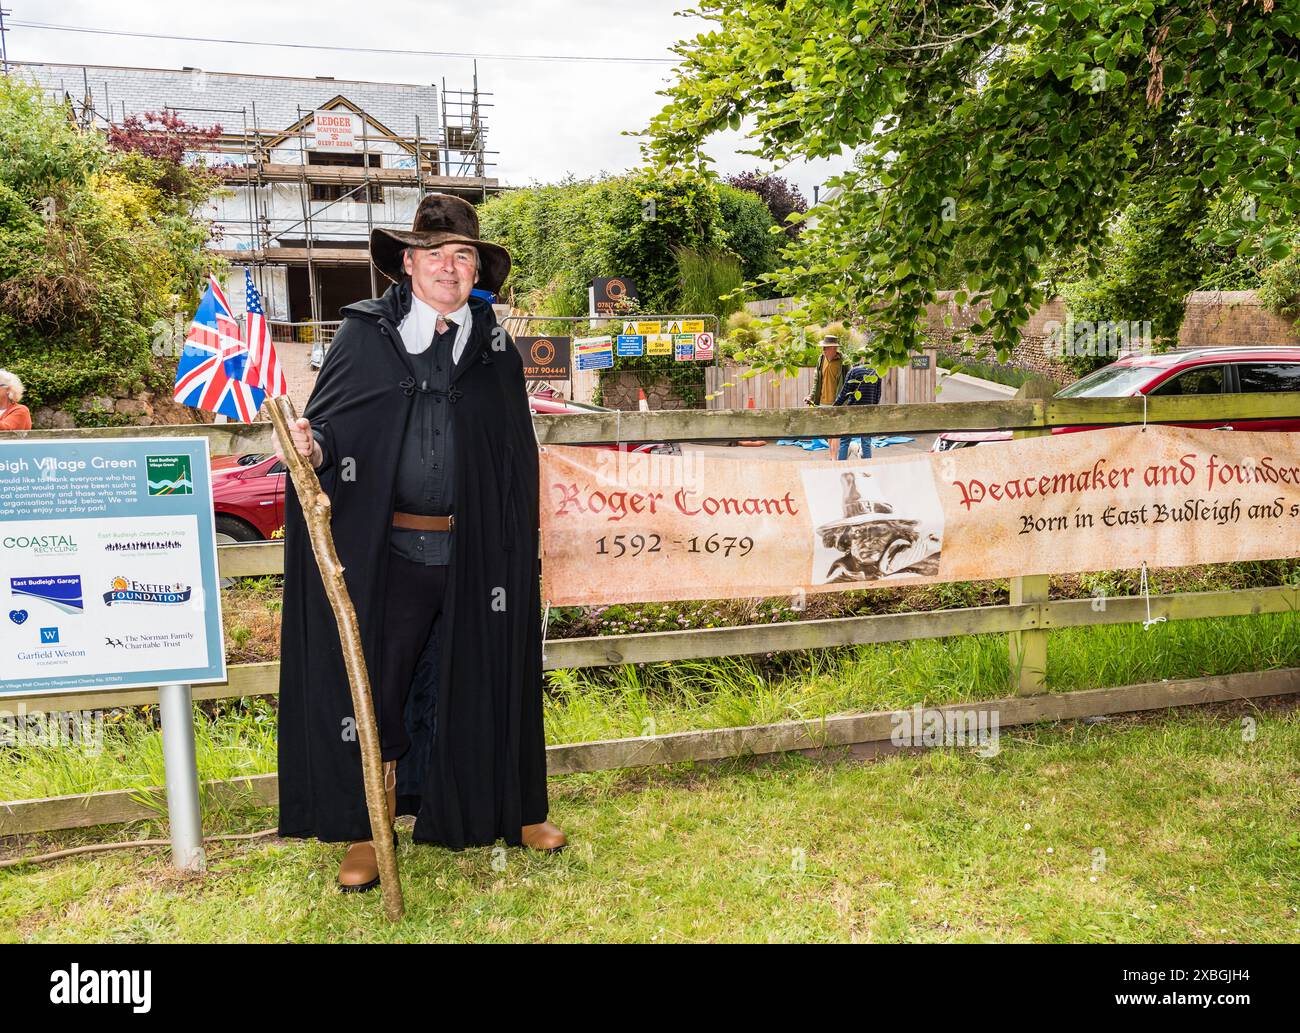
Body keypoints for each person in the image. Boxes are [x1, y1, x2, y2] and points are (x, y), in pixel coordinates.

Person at [273, 193, 563, 894]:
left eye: (462, 255)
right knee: (371, 688)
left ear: (475, 269)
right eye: (434, 254)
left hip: (474, 556)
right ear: (407, 264)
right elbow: (336, 428)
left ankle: (512, 809)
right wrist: (312, 450)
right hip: (388, 555)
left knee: (486, 671)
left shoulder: (492, 342)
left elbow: (509, 448)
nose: (449, 267)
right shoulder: (365, 334)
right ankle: (365, 826)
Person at [805, 334, 846, 456]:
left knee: (836, 432)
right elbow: (817, 381)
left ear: (834, 348)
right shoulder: (821, 359)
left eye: (826, 348)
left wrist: (846, 400)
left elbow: (849, 381)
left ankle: (834, 459)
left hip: (837, 402)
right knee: (829, 431)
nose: (823, 350)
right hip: (823, 401)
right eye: (823, 347)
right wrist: (811, 396)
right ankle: (832, 456)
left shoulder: (843, 362)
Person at [832, 361, 882, 460]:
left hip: (852, 413)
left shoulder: (853, 372)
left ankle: (841, 467)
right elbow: (877, 396)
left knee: (845, 441)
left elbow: (844, 394)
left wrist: (834, 406)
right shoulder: (875, 373)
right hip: (868, 412)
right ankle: (867, 469)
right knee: (866, 442)